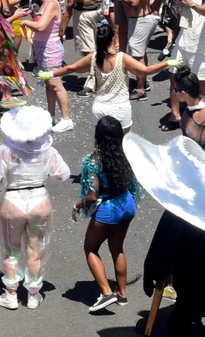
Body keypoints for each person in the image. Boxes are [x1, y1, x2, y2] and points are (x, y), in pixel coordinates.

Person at [0, 106, 71, 311]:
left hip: (13, 200)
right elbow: (63, 175)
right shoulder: (47, 150)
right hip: (39, 199)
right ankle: (33, 294)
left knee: (11, 250)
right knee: (36, 251)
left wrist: (2, 182)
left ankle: (11, 294)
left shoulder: (6, 150)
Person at [40, 19, 172, 133]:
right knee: (123, 146)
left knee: (101, 146)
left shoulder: (93, 57)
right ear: (114, 38)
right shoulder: (122, 58)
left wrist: (50, 74)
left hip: (100, 108)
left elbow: (71, 68)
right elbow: (146, 70)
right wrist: (168, 63)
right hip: (120, 108)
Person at [75, 116, 142, 313]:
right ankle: (122, 294)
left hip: (108, 210)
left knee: (90, 249)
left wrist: (78, 204)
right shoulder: (126, 154)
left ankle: (106, 293)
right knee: (117, 248)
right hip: (126, 203)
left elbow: (91, 195)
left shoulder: (94, 161)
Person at [18, 0, 73, 132]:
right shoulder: (46, 3)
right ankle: (51, 115)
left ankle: (66, 118)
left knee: (56, 84)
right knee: (49, 84)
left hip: (51, 48)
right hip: (42, 47)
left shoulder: (51, 3)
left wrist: (27, 22)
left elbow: (41, 26)